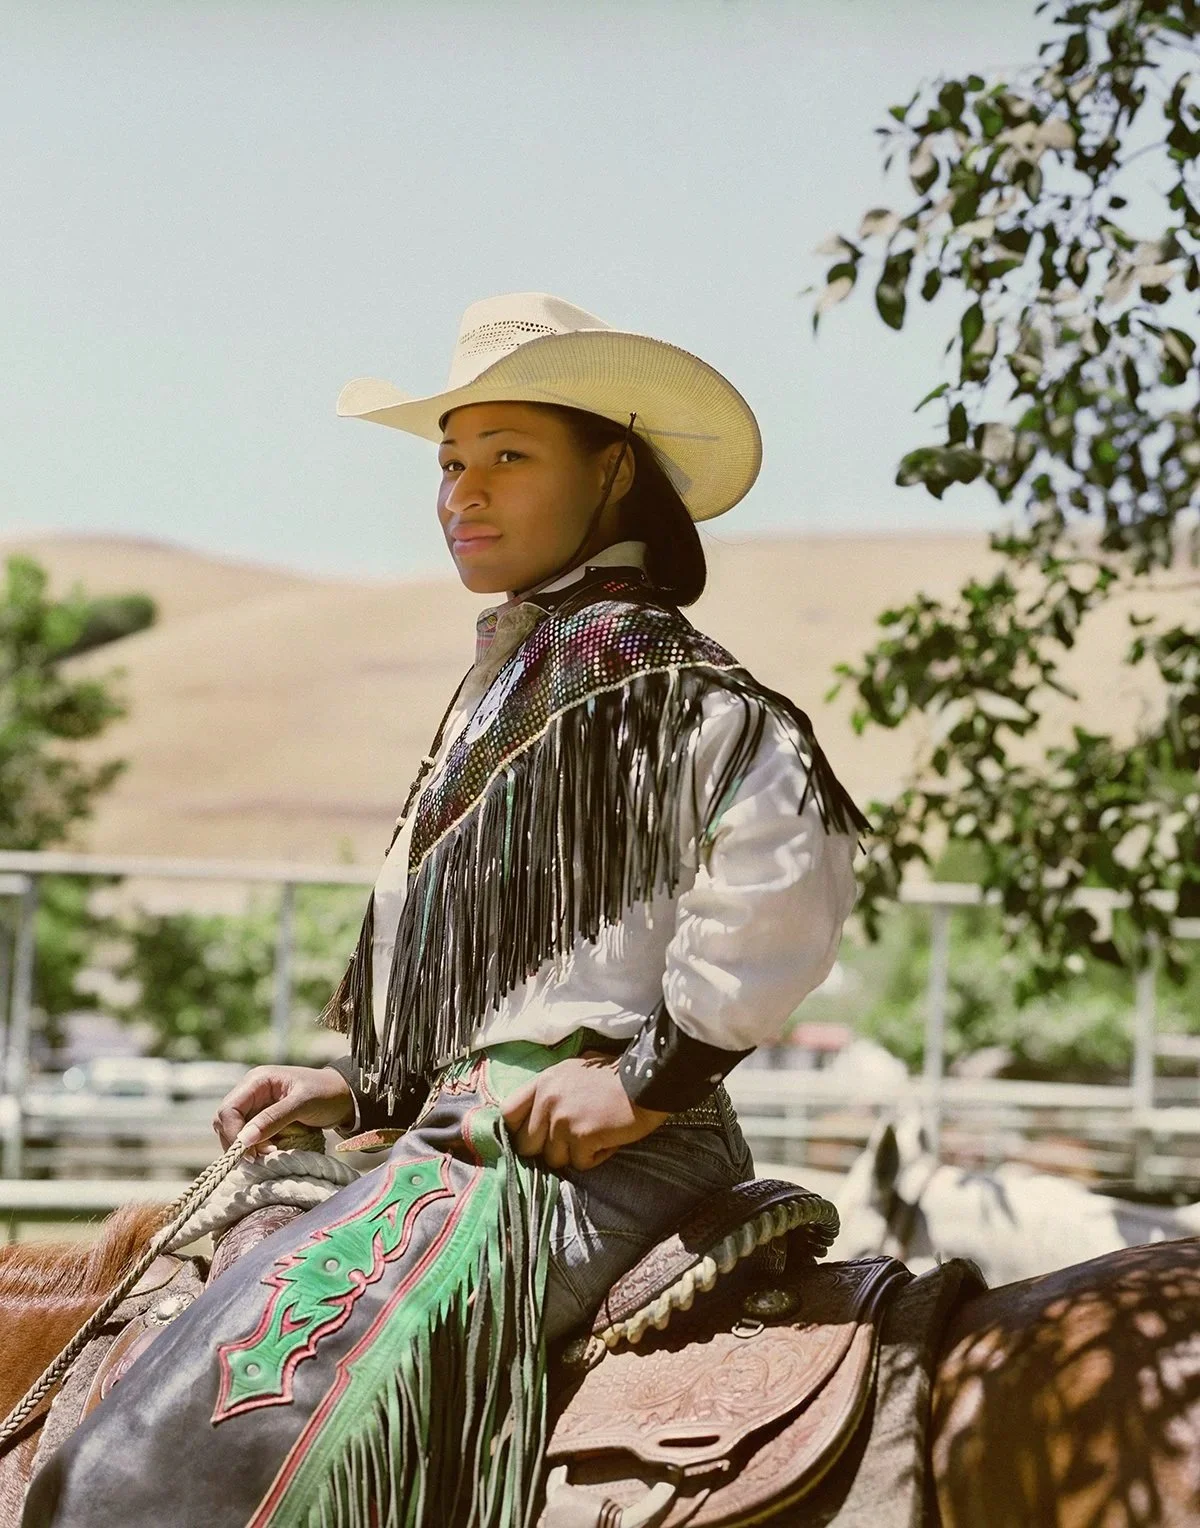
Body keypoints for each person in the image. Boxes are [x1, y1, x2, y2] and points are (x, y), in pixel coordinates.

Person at [24, 293, 866, 1528]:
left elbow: (783, 882)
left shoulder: (679, 685)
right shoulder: (517, 680)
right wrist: (364, 1091)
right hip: (464, 1136)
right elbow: (507, 975)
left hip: (596, 1153)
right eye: (452, 462)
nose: (462, 492)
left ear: (614, 468)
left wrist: (645, 1084)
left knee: (237, 1409)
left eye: (509, 457)